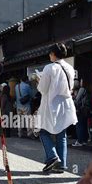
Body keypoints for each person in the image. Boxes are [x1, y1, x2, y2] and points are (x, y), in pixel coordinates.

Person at [38, 43, 77, 173]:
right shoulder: (70, 68)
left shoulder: (49, 68)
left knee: (43, 131)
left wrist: (39, 80)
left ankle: (52, 156)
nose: (49, 55)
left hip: (51, 103)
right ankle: (61, 165)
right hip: (66, 104)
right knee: (62, 134)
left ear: (53, 54)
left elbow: (43, 89)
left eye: (50, 53)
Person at [72, 79, 90, 147]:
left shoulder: (81, 89)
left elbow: (77, 100)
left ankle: (80, 141)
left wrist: (73, 99)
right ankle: (84, 140)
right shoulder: (83, 89)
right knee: (83, 125)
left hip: (81, 110)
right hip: (84, 110)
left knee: (79, 125)